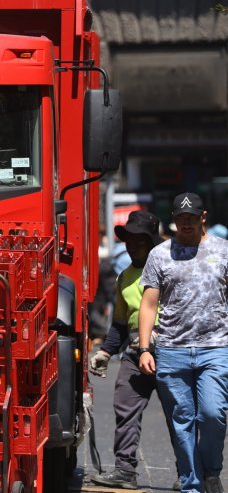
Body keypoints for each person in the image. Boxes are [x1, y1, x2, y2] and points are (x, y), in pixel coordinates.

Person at [138, 192, 228, 493]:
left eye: (191, 218)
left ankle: (211, 469)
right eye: (180, 218)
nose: (185, 224)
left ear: (203, 217)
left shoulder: (223, 250)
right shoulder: (160, 254)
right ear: (173, 221)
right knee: (182, 421)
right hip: (172, 350)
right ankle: (192, 484)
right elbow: (149, 304)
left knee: (213, 413)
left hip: (216, 347)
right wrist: (144, 348)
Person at [89, 211, 179, 490]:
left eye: (140, 240)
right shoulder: (124, 278)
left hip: (170, 352)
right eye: (129, 239)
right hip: (133, 354)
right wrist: (105, 352)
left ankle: (187, 472)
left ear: (153, 242)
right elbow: (119, 322)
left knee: (179, 414)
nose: (132, 245)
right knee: (125, 408)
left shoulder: (172, 269)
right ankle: (125, 470)